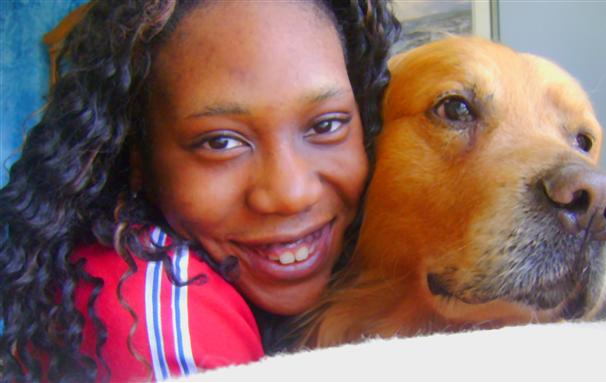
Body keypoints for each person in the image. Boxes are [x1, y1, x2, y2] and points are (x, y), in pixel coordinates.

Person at [0, 0, 400, 381]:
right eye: (220, 142)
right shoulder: (160, 326)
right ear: (137, 159)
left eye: (326, 125)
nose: (291, 193)